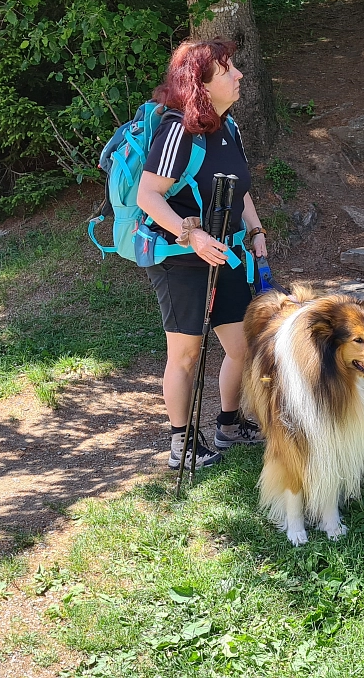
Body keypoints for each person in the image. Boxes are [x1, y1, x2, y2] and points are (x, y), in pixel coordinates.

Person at [137, 38, 268, 470]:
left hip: (228, 255)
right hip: (182, 260)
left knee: (245, 347)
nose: (238, 75)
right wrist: (189, 236)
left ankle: (228, 425)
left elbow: (240, 189)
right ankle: (181, 443)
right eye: (227, 70)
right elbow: (148, 196)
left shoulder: (229, 127)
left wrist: (256, 230)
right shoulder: (178, 129)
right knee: (186, 355)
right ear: (203, 84)